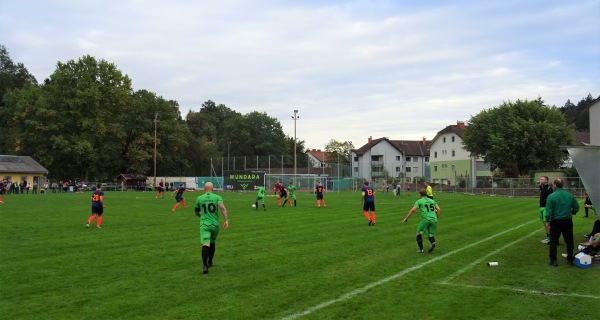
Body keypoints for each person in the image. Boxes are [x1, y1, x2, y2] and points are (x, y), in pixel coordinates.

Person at [195, 182, 229, 274]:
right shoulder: (217, 197)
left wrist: (200, 216)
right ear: (212, 189)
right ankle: (210, 262)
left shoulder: (199, 198)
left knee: (206, 244)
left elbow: (196, 212)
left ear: (204, 189)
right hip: (215, 225)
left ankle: (205, 266)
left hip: (204, 225)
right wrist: (226, 220)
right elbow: (222, 208)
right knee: (212, 242)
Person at [546, 178, 579, 266]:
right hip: (567, 220)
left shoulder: (551, 196)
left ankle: (553, 260)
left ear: (555, 185)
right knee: (569, 241)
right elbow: (576, 207)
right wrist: (572, 212)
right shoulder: (569, 195)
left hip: (556, 220)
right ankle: (569, 260)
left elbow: (548, 211)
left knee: (553, 240)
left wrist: (547, 221)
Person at [403, 189, 442, 253]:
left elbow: (413, 210)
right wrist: (437, 217)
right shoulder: (432, 201)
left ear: (420, 195)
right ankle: (433, 243)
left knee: (418, 233)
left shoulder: (419, 201)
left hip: (426, 219)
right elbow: (439, 209)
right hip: (434, 219)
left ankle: (421, 249)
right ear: (426, 194)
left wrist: (406, 218)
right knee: (431, 234)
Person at [538, 176, 553, 244]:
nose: (540, 180)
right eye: (540, 179)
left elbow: (545, 193)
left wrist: (540, 186)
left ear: (546, 180)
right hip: (542, 207)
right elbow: (542, 195)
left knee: (547, 224)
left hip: (546, 207)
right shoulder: (542, 187)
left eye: (542, 179)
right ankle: (548, 238)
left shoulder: (549, 187)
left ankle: (550, 239)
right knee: (545, 224)